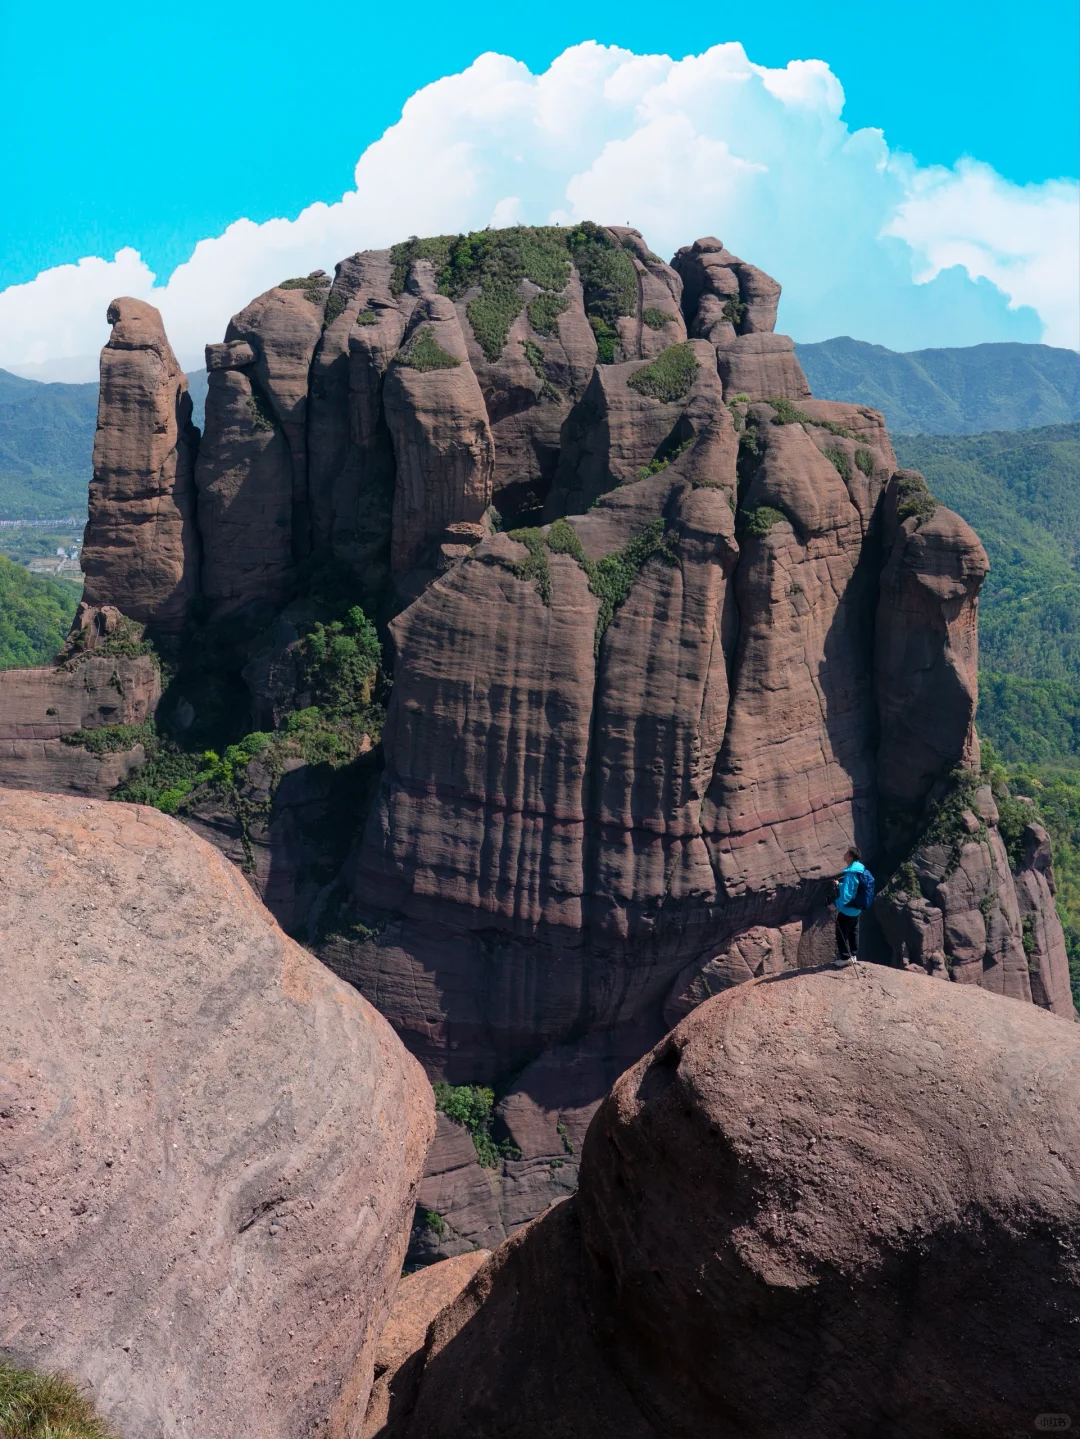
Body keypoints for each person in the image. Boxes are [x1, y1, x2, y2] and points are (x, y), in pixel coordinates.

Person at [832, 846, 867, 968]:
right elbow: (854, 888)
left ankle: (845, 958)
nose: (844, 854)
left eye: (847, 853)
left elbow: (846, 896)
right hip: (857, 908)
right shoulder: (860, 869)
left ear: (850, 857)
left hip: (848, 910)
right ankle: (853, 955)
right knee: (853, 931)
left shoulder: (850, 873)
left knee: (840, 932)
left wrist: (834, 905)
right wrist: (840, 885)